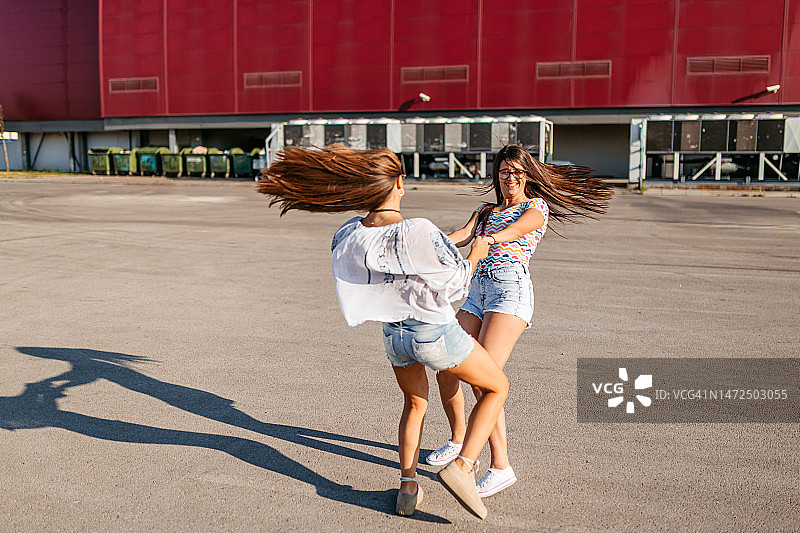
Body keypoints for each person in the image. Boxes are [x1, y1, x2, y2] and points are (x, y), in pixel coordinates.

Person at [256, 144, 509, 520]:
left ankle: (408, 487)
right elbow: (455, 285)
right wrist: (476, 253)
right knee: (496, 386)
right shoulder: (419, 229)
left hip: (394, 337)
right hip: (433, 331)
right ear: (400, 184)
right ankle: (463, 468)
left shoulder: (348, 233)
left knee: (415, 404)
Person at [426, 144, 611, 497]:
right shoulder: (485, 211)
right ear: (496, 176)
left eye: (517, 172)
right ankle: (459, 439)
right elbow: (461, 236)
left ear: (527, 175)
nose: (510, 178)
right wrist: (427, 243)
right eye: (504, 172)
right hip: (477, 292)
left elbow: (513, 232)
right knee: (447, 368)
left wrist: (489, 240)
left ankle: (500, 467)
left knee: (484, 380)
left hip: (509, 291)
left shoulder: (534, 208)